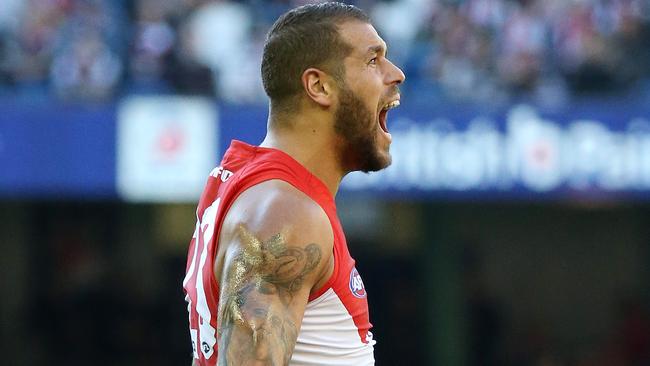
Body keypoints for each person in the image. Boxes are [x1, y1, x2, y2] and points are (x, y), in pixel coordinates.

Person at [182, 2, 405, 365]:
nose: (396, 74)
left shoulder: (258, 188)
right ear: (319, 86)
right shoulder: (285, 215)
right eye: (372, 60)